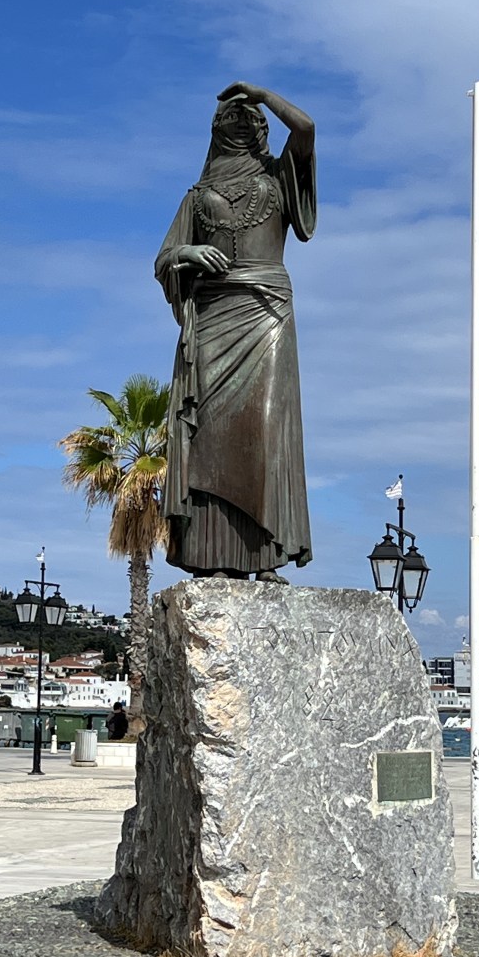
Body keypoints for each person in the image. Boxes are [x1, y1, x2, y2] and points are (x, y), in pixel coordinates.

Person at [155, 81, 315, 584]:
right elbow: (163, 259)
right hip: (214, 315)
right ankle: (213, 557)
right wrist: (187, 252)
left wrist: (263, 94)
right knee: (209, 435)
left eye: (252, 120)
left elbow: (306, 129)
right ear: (217, 129)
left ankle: (264, 557)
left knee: (265, 431)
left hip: (266, 312)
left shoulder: (278, 176)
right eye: (233, 119)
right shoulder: (197, 195)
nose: (243, 125)